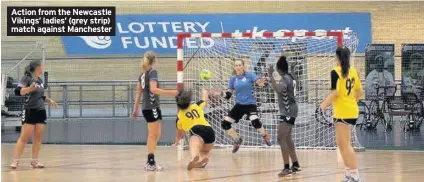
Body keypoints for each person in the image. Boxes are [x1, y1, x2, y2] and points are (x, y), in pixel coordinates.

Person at [320, 47, 363, 182]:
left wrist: (322, 105)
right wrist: (351, 101)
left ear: (338, 58)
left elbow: (335, 93)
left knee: (345, 144)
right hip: (351, 110)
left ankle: (355, 175)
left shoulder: (335, 71)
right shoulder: (353, 71)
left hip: (343, 112)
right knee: (342, 144)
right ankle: (349, 173)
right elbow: (359, 92)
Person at [132, 51, 179, 171]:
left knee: (156, 134)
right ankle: (150, 162)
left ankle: (150, 160)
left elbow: (138, 92)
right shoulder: (152, 72)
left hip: (150, 107)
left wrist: (135, 108)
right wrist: (172, 93)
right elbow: (153, 89)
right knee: (153, 135)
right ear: (154, 60)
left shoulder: (143, 74)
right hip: (151, 107)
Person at [10, 60, 58, 169]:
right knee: (24, 138)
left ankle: (34, 161)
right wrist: (29, 88)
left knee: (38, 138)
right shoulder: (26, 78)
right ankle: (15, 161)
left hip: (41, 111)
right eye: (41, 66)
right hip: (29, 111)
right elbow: (18, 91)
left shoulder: (40, 80)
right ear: (37, 68)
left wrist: (49, 100)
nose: (43, 68)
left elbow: (39, 96)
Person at [221, 59, 271, 153]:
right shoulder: (233, 79)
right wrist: (221, 94)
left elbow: (259, 83)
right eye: (236, 65)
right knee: (225, 124)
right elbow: (228, 95)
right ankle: (237, 139)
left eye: (240, 65)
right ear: (234, 67)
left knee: (255, 121)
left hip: (250, 104)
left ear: (243, 66)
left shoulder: (249, 75)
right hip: (239, 105)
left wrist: (262, 83)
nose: (238, 67)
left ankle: (265, 136)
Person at [268, 56, 301, 177]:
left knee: (280, 138)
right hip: (291, 109)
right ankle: (295, 164)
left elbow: (278, 89)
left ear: (278, 69)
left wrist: (271, 76)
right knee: (287, 138)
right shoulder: (290, 77)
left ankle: (286, 167)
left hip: (287, 110)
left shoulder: (284, 79)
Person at [174, 89, 215, 170]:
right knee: (204, 151)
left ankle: (194, 156)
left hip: (196, 130)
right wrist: (205, 92)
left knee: (193, 142)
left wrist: (176, 142)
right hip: (210, 131)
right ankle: (203, 159)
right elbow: (204, 100)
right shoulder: (196, 105)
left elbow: (180, 132)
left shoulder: (179, 116)